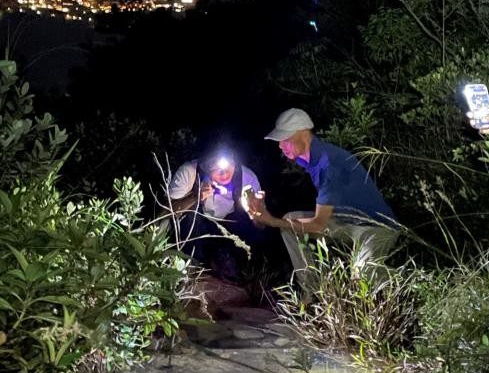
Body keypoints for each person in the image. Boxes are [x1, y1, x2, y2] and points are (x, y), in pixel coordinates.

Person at [246, 108, 399, 292]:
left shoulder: (328, 163)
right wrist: (268, 216)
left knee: (361, 274)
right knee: (289, 223)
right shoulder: (309, 160)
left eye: (285, 140)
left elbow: (318, 225)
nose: (280, 146)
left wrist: (270, 220)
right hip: (346, 222)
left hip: (377, 226)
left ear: (304, 134)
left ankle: (416, 284)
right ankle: (313, 292)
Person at [168, 146, 266, 281]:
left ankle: (244, 269)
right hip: (197, 229)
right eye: (216, 168)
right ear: (206, 167)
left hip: (229, 227)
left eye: (229, 166)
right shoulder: (189, 172)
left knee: (251, 225)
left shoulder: (247, 178)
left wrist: (257, 213)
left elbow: (260, 225)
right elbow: (165, 213)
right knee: (189, 215)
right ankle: (191, 271)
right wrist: (194, 197)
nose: (224, 173)